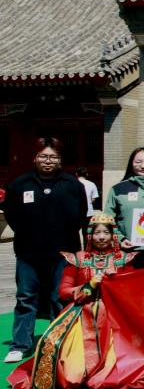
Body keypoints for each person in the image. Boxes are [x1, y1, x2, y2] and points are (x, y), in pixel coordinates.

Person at [8, 213, 133, 389]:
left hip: (113, 317)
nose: (101, 237)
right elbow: (63, 291)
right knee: (67, 373)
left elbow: (132, 291)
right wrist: (89, 285)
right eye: (97, 232)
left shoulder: (123, 259)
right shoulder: (78, 259)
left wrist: (117, 281)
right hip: (81, 313)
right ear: (89, 235)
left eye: (106, 233)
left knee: (120, 369)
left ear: (113, 235)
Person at [2, 138, 88, 364]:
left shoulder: (72, 185)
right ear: (35, 158)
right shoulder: (20, 184)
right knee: (25, 298)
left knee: (59, 298)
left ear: (60, 160)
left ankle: (59, 341)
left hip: (63, 253)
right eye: (43, 156)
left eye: (53, 157)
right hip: (28, 253)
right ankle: (21, 345)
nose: (48, 161)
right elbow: (11, 214)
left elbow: (81, 216)